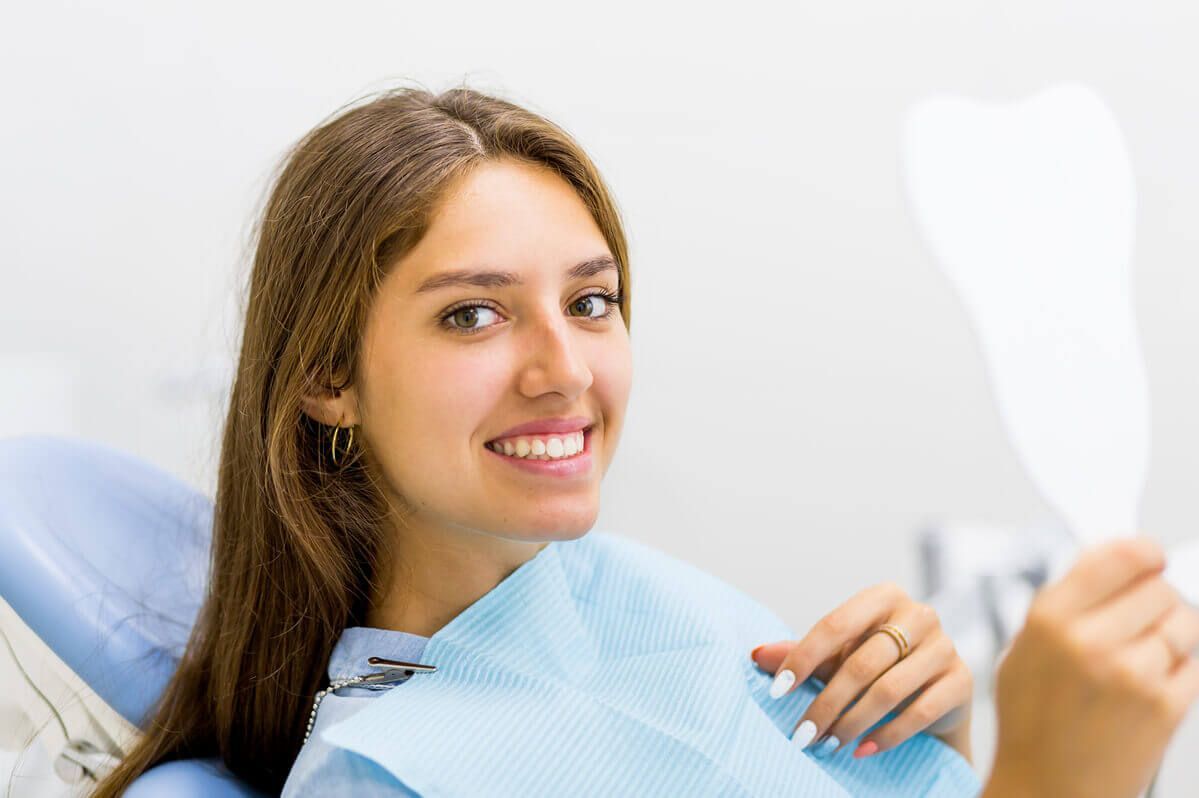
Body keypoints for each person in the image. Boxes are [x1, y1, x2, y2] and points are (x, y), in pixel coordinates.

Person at [90, 85, 1199, 798]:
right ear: (328, 379)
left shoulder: (638, 600)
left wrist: (940, 741)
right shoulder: (381, 776)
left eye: (590, 302)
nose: (563, 370)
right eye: (472, 314)